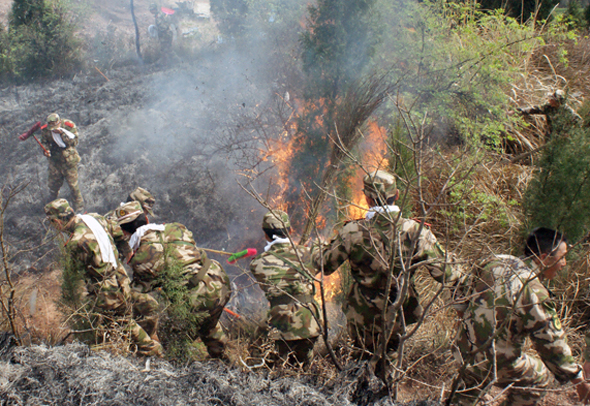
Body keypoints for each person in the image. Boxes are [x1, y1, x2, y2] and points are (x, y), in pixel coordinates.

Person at [312, 169, 461, 376]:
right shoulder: (415, 231)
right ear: (397, 195)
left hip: (362, 313)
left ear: (367, 198)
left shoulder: (352, 231)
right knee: (390, 361)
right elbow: (446, 274)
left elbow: (324, 265)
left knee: (362, 362)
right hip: (397, 309)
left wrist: (314, 249)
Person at [454, 227, 590, 406]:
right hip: (494, 362)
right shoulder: (534, 290)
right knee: (538, 377)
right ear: (544, 257)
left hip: (463, 350)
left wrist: (466, 331)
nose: (564, 263)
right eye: (562, 257)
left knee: (468, 390)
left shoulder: (495, 260)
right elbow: (552, 343)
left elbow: (460, 296)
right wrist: (579, 380)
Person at [44, 198, 162, 357]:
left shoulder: (76, 242)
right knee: (117, 323)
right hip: (122, 279)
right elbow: (120, 235)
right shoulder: (95, 218)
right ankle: (127, 351)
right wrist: (127, 255)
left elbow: (75, 276)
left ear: (57, 221)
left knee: (122, 323)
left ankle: (153, 350)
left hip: (106, 291)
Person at [115, 201, 231, 359]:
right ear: (146, 219)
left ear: (124, 232)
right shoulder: (176, 227)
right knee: (207, 322)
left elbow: (141, 294)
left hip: (198, 294)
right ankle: (222, 360)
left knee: (170, 338)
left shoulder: (142, 256)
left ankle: (180, 372)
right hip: (219, 280)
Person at [249, 210, 321, 366]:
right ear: (289, 231)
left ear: (266, 235)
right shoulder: (307, 254)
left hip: (282, 323)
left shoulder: (257, 264)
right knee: (304, 361)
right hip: (312, 322)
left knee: (257, 349)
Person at [39, 113, 84, 212]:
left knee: (73, 186)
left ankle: (79, 208)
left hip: (69, 160)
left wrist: (62, 134)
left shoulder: (68, 126)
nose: (54, 129)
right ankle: (51, 207)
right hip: (55, 161)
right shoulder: (46, 130)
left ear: (59, 122)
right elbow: (44, 142)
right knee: (53, 185)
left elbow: (74, 141)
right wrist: (46, 150)